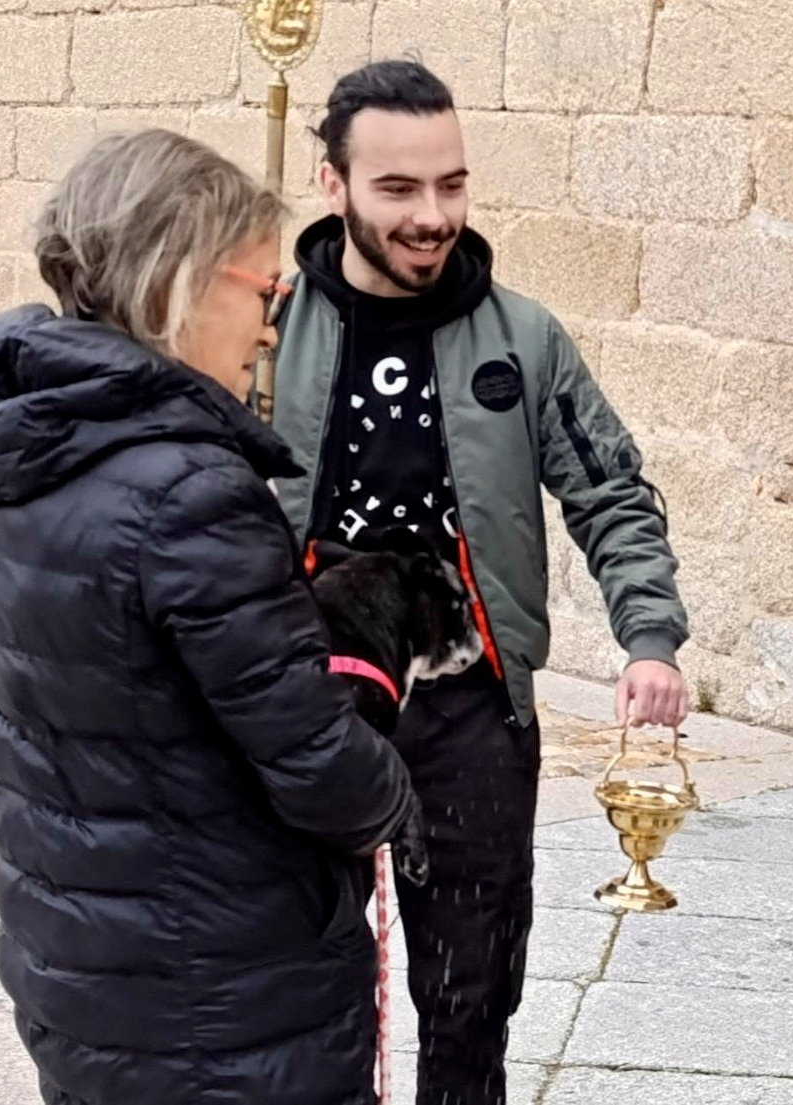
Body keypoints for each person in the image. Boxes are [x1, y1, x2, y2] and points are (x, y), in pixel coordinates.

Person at [0, 129, 426, 1105]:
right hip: (220, 995)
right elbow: (318, 765)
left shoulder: (22, 451)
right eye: (267, 293)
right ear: (182, 280)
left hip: (81, 968)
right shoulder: (191, 492)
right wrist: (391, 788)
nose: (271, 330)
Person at [268, 59, 691, 1105]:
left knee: (471, 996)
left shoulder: (525, 338)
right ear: (333, 185)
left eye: (450, 184)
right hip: (294, 707)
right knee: (292, 985)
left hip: (471, 714)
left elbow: (611, 491)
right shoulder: (267, 331)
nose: (432, 215)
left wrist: (649, 635)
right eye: (398, 188)